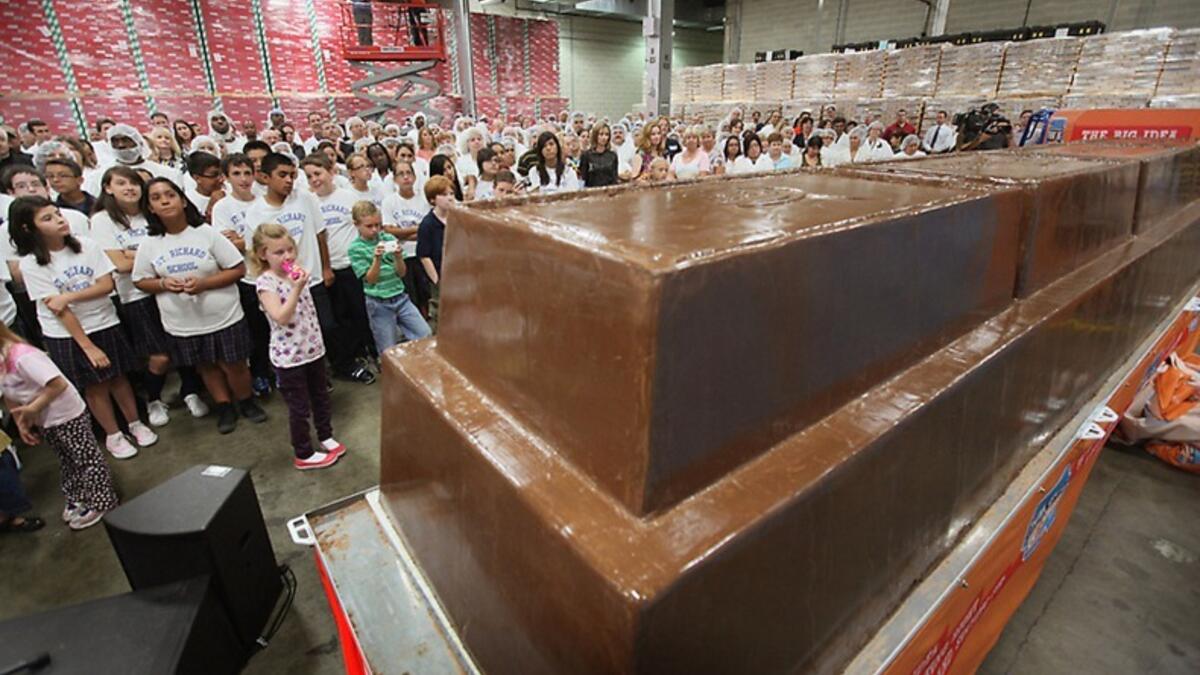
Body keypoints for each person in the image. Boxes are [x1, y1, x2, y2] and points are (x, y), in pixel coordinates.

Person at [10, 196, 156, 459]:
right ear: (27, 228)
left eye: (57, 214)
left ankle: (135, 423)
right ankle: (113, 434)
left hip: (104, 321)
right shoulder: (31, 264)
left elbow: (105, 285)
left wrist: (69, 296)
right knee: (95, 386)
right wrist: (87, 346)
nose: (59, 220)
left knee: (118, 376)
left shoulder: (86, 246)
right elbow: (58, 310)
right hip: (67, 333)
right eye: (47, 218)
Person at [132, 178, 266, 434]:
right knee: (207, 365)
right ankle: (224, 406)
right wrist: (162, 283)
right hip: (183, 322)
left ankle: (247, 402)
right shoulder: (150, 244)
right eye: (156, 198)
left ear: (182, 200)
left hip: (223, 315)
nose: (164, 201)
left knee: (234, 364)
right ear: (150, 207)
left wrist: (205, 283)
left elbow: (237, 269)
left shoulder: (207, 234)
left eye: (169, 195)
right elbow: (140, 280)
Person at [245, 153, 374, 386]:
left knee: (327, 326)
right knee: (296, 332)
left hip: (312, 278)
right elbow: (258, 253)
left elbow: (319, 233)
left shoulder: (305, 198)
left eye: (292, 175)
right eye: (282, 175)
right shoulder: (256, 212)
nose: (289, 180)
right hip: (284, 286)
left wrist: (325, 267)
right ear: (265, 177)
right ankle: (312, 376)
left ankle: (342, 364)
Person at [0, 322, 120, 530]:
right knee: (67, 459)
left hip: (66, 414)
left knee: (87, 458)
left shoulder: (23, 356)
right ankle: (79, 494)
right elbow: (9, 394)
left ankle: (104, 501)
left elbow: (57, 384)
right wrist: (22, 422)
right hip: (44, 418)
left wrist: (32, 409)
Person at [248, 223, 346, 470]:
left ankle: (325, 435)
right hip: (289, 356)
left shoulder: (296, 272)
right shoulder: (265, 283)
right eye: (278, 253)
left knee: (321, 397)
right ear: (263, 254)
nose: (287, 256)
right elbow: (281, 316)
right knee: (299, 407)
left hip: (312, 348)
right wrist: (295, 289)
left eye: (290, 250)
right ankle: (303, 452)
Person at [89, 166, 176, 427]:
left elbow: (170, 249)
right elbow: (119, 264)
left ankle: (190, 391)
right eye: (121, 183)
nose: (130, 188)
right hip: (134, 296)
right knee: (158, 356)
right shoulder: (103, 220)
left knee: (178, 347)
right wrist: (145, 255)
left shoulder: (150, 212)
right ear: (107, 188)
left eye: (134, 183)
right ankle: (153, 398)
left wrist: (130, 254)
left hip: (168, 286)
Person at [301, 154, 374, 367]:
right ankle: (351, 355)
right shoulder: (308, 202)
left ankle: (370, 349)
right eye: (309, 176)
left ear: (331, 172)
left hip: (352, 265)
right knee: (339, 318)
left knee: (361, 312)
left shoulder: (349, 197)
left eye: (318, 173)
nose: (314, 179)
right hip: (327, 269)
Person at [210, 153, 271, 396]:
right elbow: (226, 245)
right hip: (248, 278)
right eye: (236, 173)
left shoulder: (264, 201)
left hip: (276, 275)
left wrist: (242, 240)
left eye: (247, 172)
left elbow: (276, 238)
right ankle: (260, 373)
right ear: (226, 177)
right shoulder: (223, 207)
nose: (244, 179)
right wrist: (254, 243)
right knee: (257, 332)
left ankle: (279, 368)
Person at [348, 201, 431, 354]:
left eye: (378, 225)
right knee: (388, 349)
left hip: (400, 297)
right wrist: (377, 259)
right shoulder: (355, 248)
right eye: (369, 226)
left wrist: (398, 257)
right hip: (378, 303)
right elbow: (370, 279)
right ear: (356, 224)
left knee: (424, 333)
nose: (375, 230)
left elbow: (402, 273)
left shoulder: (388, 238)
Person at [380, 159, 431, 315]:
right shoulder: (389, 202)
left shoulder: (424, 200)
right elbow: (389, 230)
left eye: (409, 173)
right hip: (402, 256)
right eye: (401, 174)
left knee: (426, 295)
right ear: (395, 179)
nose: (406, 177)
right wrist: (418, 229)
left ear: (415, 177)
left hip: (423, 254)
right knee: (411, 297)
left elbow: (429, 231)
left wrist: (403, 232)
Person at [416, 175, 453, 328]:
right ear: (432, 199)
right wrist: (436, 280)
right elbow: (424, 255)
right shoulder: (428, 224)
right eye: (444, 195)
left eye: (451, 193)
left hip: (457, 273)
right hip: (440, 274)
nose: (449, 198)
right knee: (441, 315)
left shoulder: (457, 218)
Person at [184, 152, 225, 220]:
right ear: (197, 178)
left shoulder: (230, 191)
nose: (221, 179)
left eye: (221, 174)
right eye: (214, 175)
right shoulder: (188, 200)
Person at [578, 122, 619, 188]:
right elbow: (583, 178)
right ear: (595, 135)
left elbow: (614, 178)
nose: (604, 137)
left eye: (606, 134)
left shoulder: (613, 155)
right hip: (591, 192)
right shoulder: (586, 155)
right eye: (601, 134)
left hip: (609, 193)